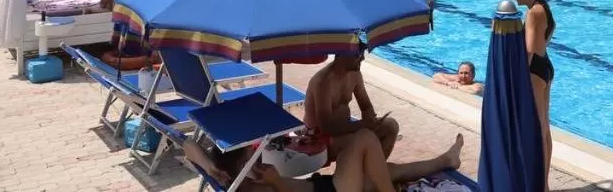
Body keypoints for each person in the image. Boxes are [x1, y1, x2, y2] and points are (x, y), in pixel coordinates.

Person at [182, 129, 463, 192]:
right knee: (363, 138)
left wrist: (210, 167)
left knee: (387, 171)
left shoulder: (230, 177)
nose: (255, 156)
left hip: (323, 186)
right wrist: (277, 181)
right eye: (249, 155)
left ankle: (444, 160)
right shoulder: (251, 188)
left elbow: (188, 144)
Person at [507, 0, 555, 190]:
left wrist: (518, 78)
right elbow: (548, 33)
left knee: (537, 129)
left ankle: (540, 185)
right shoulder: (543, 7)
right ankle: (543, 183)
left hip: (534, 70)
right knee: (544, 127)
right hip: (545, 65)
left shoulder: (532, 13)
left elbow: (527, 50)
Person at [304, 52, 401, 162]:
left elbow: (365, 106)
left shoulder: (355, 74)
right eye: (358, 55)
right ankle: (359, 175)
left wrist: (371, 118)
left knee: (391, 126)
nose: (363, 58)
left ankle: (373, 174)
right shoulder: (323, 82)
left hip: (344, 132)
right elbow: (326, 128)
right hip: (318, 138)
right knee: (362, 141)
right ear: (343, 55)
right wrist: (362, 125)